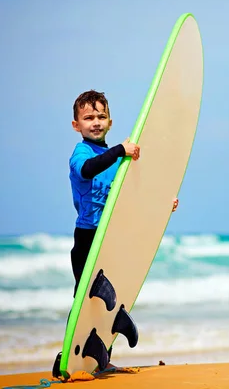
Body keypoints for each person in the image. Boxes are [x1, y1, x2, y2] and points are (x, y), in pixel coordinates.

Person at [53, 90, 179, 376]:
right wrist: (120, 150)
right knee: (87, 301)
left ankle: (103, 358)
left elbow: (129, 197)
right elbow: (86, 171)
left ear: (110, 122)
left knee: (113, 301)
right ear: (76, 125)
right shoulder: (82, 153)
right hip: (88, 238)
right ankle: (68, 356)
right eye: (88, 118)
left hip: (114, 237)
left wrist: (162, 206)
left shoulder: (119, 161)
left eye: (101, 117)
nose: (95, 122)